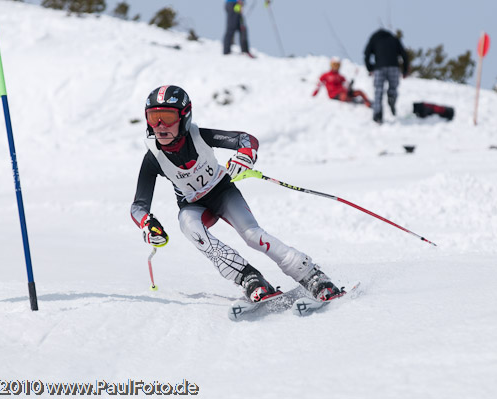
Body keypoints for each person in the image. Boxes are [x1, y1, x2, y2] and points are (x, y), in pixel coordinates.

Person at [131, 85, 343, 303]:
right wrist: (146, 223)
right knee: (187, 224)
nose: (160, 126)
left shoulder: (200, 136)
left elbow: (246, 139)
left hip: (222, 193)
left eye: (167, 117)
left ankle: (311, 275)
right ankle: (249, 278)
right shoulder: (153, 157)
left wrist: (246, 154)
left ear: (184, 117)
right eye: (153, 117)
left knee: (253, 236)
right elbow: (138, 206)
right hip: (194, 206)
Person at [364, 29, 409, 124]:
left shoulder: (374, 38)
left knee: (378, 90)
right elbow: (404, 54)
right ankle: (392, 98)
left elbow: (366, 53)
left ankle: (377, 114)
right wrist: (405, 71)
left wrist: (370, 68)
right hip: (394, 66)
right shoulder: (394, 39)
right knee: (393, 87)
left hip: (379, 67)